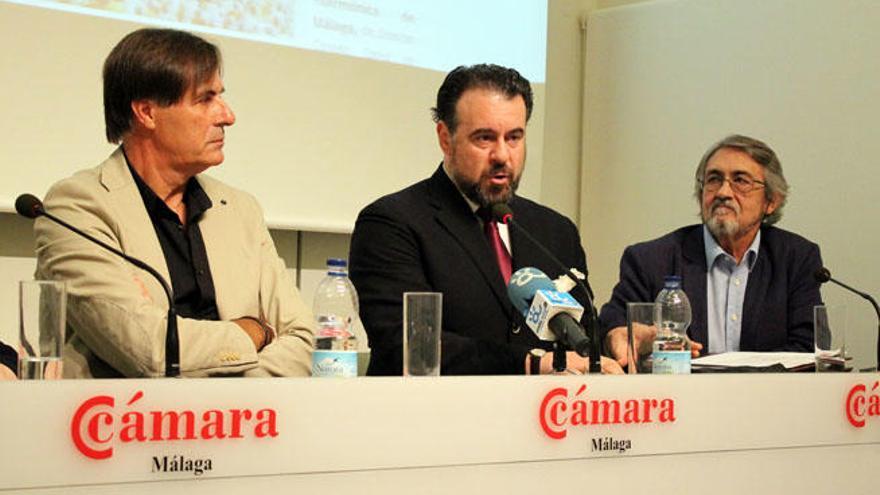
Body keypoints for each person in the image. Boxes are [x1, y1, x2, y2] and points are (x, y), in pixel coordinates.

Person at [33, 28, 314, 378]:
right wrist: (255, 331)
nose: (227, 116)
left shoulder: (240, 209)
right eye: (205, 99)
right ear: (147, 112)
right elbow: (147, 350)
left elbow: (302, 337)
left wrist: (233, 401)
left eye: (220, 97)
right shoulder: (76, 208)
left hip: (245, 422)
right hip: (121, 423)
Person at [349, 64, 620, 376]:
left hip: (545, 417)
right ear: (445, 138)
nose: (503, 155)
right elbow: (406, 344)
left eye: (514, 137)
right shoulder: (392, 224)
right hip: (434, 417)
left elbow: (580, 339)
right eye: (484, 138)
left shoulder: (554, 231)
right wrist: (529, 363)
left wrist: (609, 345)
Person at [600, 135, 823, 366]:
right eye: (714, 180)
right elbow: (611, 327)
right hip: (679, 396)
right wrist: (617, 336)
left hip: (767, 397)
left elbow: (805, 348)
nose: (723, 192)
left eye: (741, 181)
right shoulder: (652, 259)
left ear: (771, 201)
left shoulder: (796, 258)